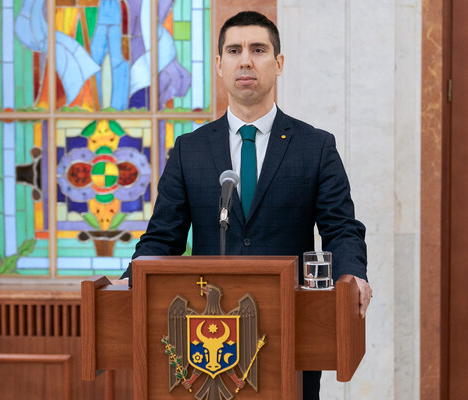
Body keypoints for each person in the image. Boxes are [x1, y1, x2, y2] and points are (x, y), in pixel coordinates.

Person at [121, 10, 372, 399]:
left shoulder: (315, 146)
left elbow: (340, 228)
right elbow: (162, 238)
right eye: (234, 51)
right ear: (219, 65)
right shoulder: (190, 150)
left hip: (291, 330)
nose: (246, 61)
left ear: (278, 63)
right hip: (206, 343)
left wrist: (351, 274)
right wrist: (128, 281)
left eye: (258, 49)